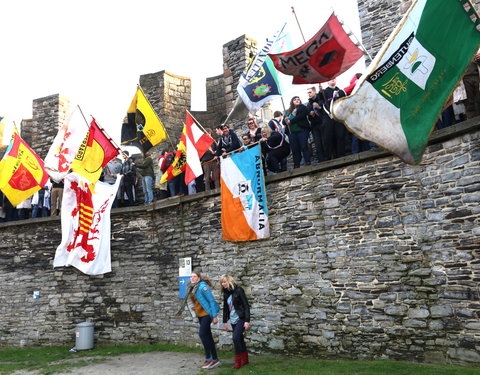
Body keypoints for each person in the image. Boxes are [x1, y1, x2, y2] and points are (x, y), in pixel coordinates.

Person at [189, 271, 221, 369]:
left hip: (207, 314)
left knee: (202, 334)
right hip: (200, 314)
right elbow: (199, 301)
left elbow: (211, 300)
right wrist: (196, 307)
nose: (192, 278)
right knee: (208, 336)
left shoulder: (203, 286)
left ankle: (208, 358)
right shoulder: (193, 287)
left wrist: (214, 316)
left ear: (199, 278)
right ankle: (215, 359)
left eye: (194, 276)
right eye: (191, 277)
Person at [220, 274, 251, 369]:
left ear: (229, 281)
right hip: (233, 320)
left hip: (241, 318)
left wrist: (247, 320)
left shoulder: (239, 290)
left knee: (235, 338)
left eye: (224, 282)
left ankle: (238, 362)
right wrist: (225, 321)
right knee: (240, 339)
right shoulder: (226, 293)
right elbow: (226, 308)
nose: (223, 284)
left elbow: (246, 305)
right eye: (221, 282)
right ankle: (245, 360)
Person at [283, 96, 311, 168]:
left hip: (302, 130)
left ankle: (307, 162)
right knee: (295, 149)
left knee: (304, 146)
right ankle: (296, 164)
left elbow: (300, 116)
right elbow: (283, 122)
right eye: (295, 99)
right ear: (292, 101)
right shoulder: (288, 111)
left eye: (298, 99)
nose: (297, 100)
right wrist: (285, 120)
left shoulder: (303, 108)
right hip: (291, 132)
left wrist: (291, 121)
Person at [323, 78, 347, 159]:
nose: (333, 79)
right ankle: (330, 156)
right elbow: (320, 102)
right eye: (330, 78)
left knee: (340, 135)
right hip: (329, 117)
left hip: (339, 116)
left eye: (334, 78)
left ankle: (341, 154)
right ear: (327, 81)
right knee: (329, 137)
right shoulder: (324, 92)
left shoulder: (341, 91)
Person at [306, 86, 328, 162]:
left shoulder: (321, 99)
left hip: (323, 123)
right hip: (315, 125)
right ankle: (321, 160)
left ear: (314, 92)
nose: (308, 94)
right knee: (317, 143)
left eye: (310, 92)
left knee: (325, 141)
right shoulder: (309, 104)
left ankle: (327, 157)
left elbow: (326, 109)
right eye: (308, 93)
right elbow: (308, 116)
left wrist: (319, 107)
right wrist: (310, 114)